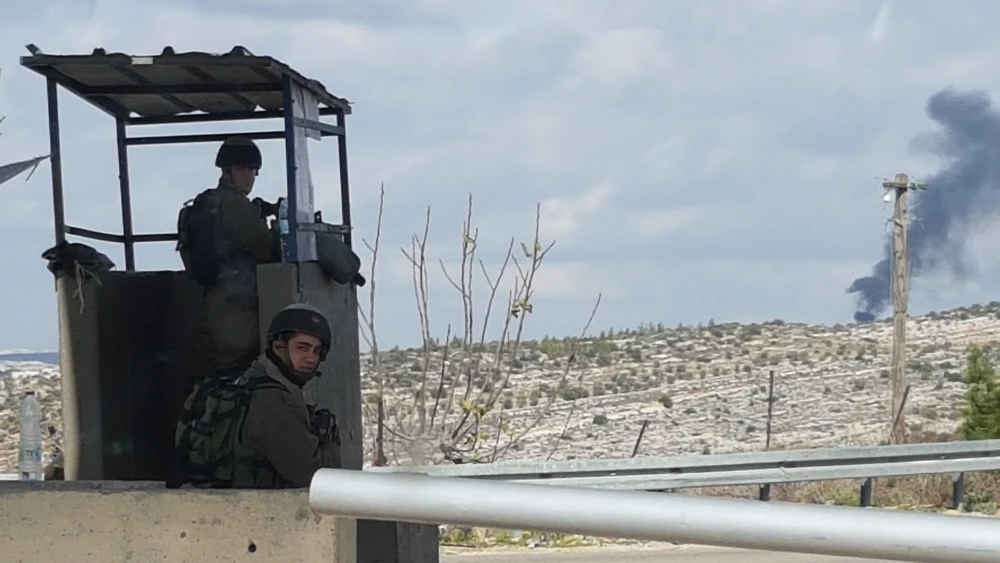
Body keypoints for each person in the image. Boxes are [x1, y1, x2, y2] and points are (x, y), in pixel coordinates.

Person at [169, 303, 342, 489]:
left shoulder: (246, 382)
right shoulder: (272, 398)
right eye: (302, 348)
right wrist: (329, 441)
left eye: (317, 351)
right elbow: (315, 476)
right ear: (278, 347)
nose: (311, 358)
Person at [178, 136, 282, 385]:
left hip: (208, 306)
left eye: (253, 170)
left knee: (204, 384)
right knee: (238, 385)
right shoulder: (235, 204)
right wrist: (277, 227)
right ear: (226, 171)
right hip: (238, 313)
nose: (249, 176)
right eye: (242, 169)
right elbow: (268, 250)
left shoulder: (204, 202)